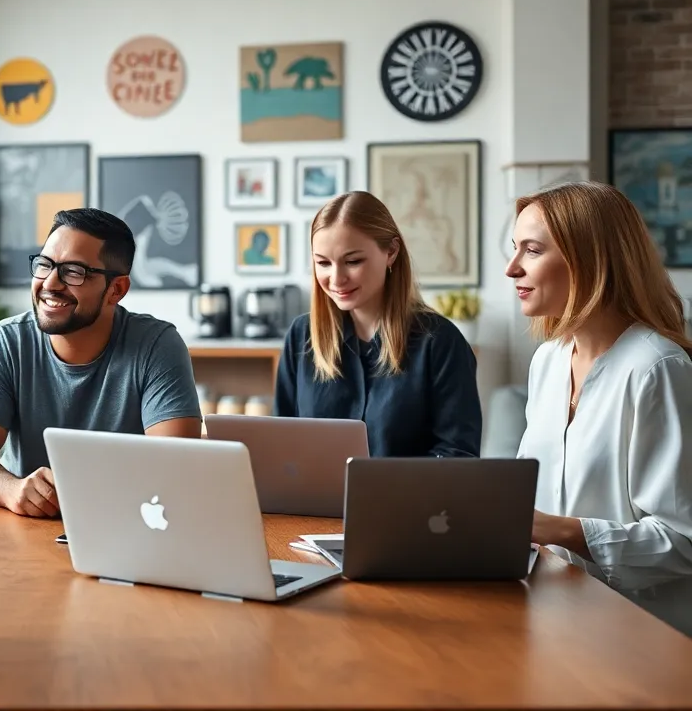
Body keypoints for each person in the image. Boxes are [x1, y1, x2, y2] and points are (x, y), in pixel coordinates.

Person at [508, 180, 692, 637]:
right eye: (515, 249)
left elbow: (683, 542)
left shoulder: (658, 368)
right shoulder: (548, 360)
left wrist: (559, 529)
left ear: (589, 258)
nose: (512, 269)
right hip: (550, 614)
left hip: (639, 635)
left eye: (531, 251)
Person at [0, 208, 202, 518]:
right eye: (44, 265)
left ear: (117, 289)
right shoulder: (6, 342)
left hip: (124, 523)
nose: (50, 283)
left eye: (74, 271)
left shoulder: (156, 345)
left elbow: (175, 466)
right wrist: (11, 490)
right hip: (26, 526)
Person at [275, 190, 481, 458]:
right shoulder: (301, 336)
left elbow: (458, 454)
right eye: (323, 263)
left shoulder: (441, 342)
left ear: (391, 252)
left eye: (353, 261)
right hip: (312, 501)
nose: (336, 279)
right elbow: (281, 442)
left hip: (406, 501)